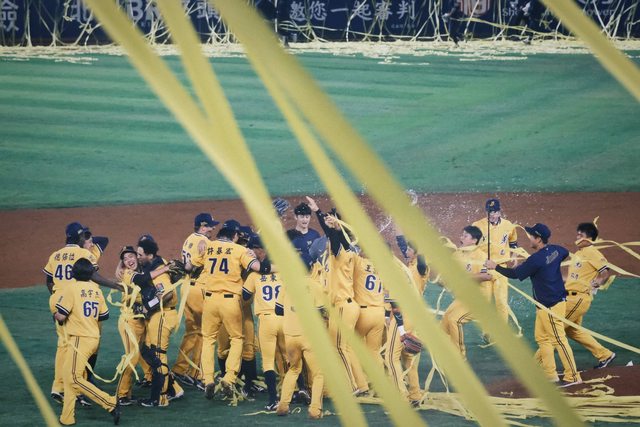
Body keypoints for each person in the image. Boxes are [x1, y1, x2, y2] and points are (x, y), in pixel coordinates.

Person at [486, 223, 582, 386]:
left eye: (531, 236)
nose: (529, 238)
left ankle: (573, 376)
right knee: (542, 338)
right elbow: (564, 253)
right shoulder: (556, 250)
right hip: (550, 304)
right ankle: (550, 373)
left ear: (538, 239)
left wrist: (495, 267)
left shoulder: (535, 260)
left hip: (550, 306)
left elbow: (515, 274)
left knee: (559, 341)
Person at [44, 222, 120, 405]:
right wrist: (116, 285)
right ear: (79, 237)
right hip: (76, 303)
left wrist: (57, 296)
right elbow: (93, 275)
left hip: (57, 300)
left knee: (63, 345)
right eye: (84, 235)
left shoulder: (55, 255)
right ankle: (76, 387)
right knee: (80, 344)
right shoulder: (84, 254)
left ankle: (59, 387)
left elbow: (48, 281)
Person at [196, 219, 274, 400]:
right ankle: (229, 378)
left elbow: (191, 264)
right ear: (234, 236)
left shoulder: (209, 246)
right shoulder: (240, 250)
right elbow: (259, 268)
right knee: (237, 339)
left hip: (209, 301)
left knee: (208, 340)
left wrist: (202, 243)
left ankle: (208, 379)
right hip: (231, 302)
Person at [54, 258, 120, 425]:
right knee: (69, 376)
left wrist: (56, 314)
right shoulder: (96, 290)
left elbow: (61, 316)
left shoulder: (71, 289)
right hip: (93, 338)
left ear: (74, 273)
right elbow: (104, 315)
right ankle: (67, 417)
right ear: (91, 273)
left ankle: (109, 402)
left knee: (74, 378)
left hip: (79, 339)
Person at [171, 213, 219, 390]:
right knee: (207, 332)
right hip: (199, 289)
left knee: (192, 331)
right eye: (210, 226)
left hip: (186, 289)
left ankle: (180, 369)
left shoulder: (190, 238)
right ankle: (197, 374)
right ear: (203, 226)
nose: (213, 229)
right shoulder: (204, 241)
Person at [135, 239, 185, 407]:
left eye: (140, 254)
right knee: (147, 351)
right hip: (158, 316)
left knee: (158, 356)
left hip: (163, 316)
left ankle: (161, 398)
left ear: (150, 255)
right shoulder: (154, 265)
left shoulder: (159, 272)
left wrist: (147, 307)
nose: (137, 257)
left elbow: (167, 294)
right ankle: (174, 389)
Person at [242, 235, 287, 410]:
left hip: (266, 321)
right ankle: (298, 390)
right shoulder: (282, 272)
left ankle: (273, 400)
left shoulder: (254, 275)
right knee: (289, 357)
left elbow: (245, 296)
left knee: (268, 362)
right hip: (284, 319)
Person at [564, 222, 616, 368]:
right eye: (577, 234)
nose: (577, 237)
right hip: (571, 297)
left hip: (578, 299)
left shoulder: (592, 252)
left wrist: (597, 283)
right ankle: (605, 355)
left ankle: (537, 365)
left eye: (580, 235)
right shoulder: (578, 254)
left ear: (589, 238)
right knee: (573, 331)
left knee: (554, 329)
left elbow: (605, 272)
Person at [441, 226, 493, 359]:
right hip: (464, 298)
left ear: (474, 240)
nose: (461, 237)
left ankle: (459, 356)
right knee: (445, 321)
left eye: (465, 236)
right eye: (462, 235)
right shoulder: (457, 254)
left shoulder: (481, 256)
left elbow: (487, 276)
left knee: (454, 320)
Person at [472, 198, 519, 341]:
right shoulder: (477, 226)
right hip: (484, 268)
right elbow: (471, 246)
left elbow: (514, 243)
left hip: (500, 268)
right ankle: (487, 332)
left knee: (501, 301)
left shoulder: (508, 225)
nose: (491, 215)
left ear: (499, 212)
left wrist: (514, 257)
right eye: (489, 212)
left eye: (494, 212)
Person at [114, 245, 152, 406]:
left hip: (140, 321)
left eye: (131, 256)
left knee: (143, 351)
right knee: (132, 357)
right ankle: (121, 395)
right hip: (129, 321)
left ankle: (148, 378)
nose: (129, 260)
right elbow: (142, 283)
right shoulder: (128, 274)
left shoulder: (140, 271)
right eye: (125, 259)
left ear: (137, 256)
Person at [289, 201, 321, 268]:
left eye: (307, 217)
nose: (305, 220)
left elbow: (320, 255)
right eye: (302, 217)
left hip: (313, 272)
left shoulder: (315, 235)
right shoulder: (288, 235)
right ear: (296, 217)